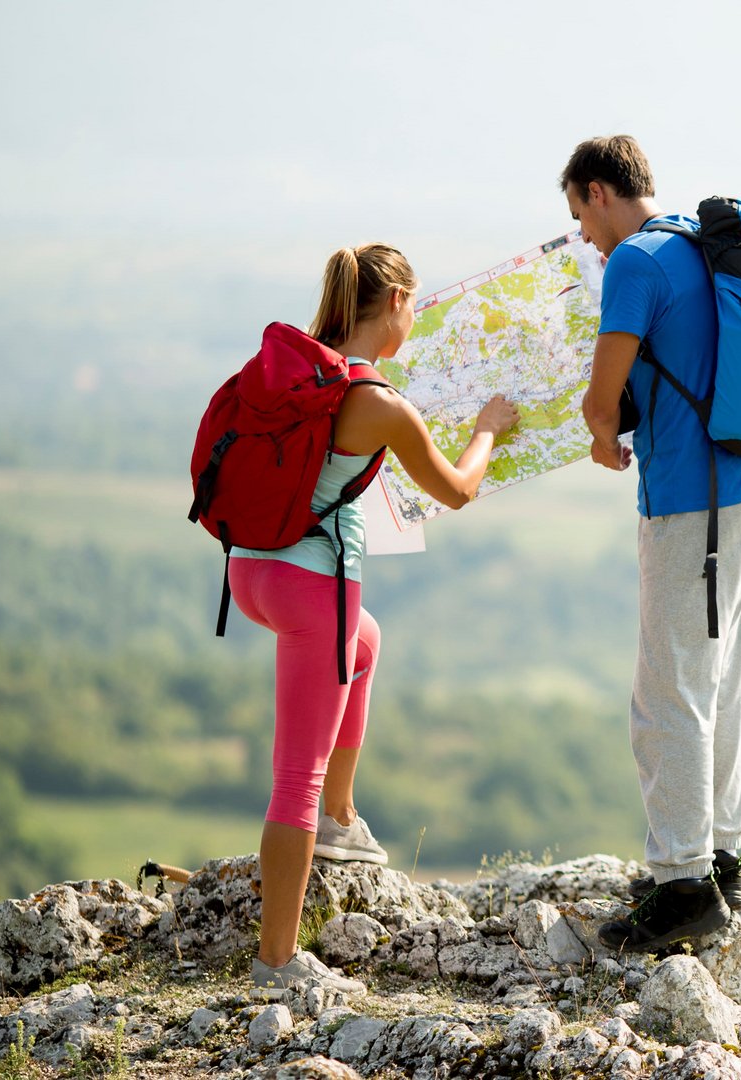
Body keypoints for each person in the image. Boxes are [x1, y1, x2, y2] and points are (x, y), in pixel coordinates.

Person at [230, 243, 518, 997]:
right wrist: (487, 428)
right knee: (293, 778)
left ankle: (341, 814)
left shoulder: (297, 369)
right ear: (393, 303)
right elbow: (455, 490)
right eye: (415, 304)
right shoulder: (378, 403)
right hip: (309, 589)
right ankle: (278, 964)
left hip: (250, 570)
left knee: (366, 641)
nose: (415, 318)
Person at [563, 135, 741, 953]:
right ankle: (720, 859)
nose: (585, 236)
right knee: (717, 682)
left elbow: (602, 393)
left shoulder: (635, 264)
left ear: (598, 191)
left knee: (665, 692)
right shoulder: (697, 239)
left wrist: (599, 434)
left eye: (580, 216)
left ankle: (681, 885)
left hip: (688, 500)